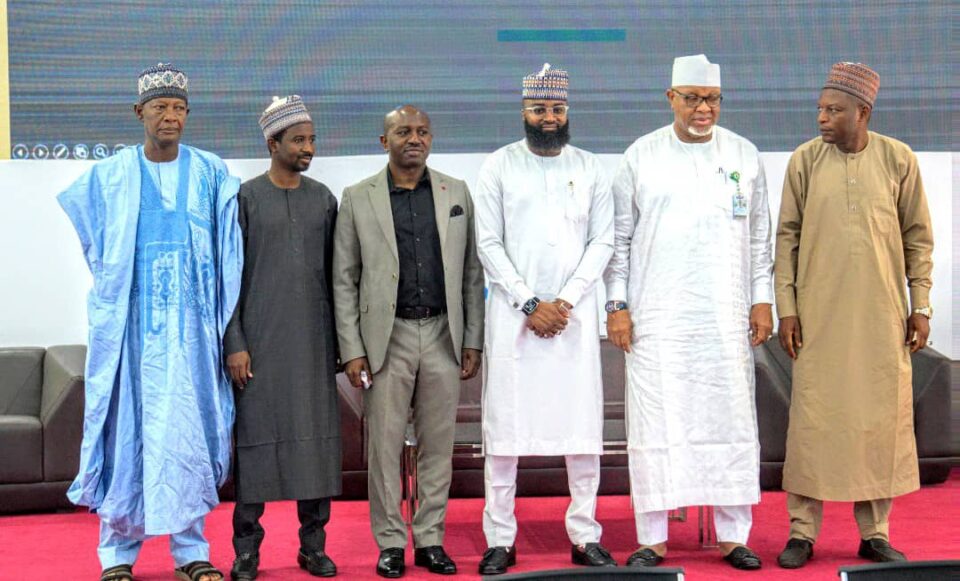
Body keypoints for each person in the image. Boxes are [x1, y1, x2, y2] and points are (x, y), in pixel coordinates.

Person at [57, 63, 242, 581]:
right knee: (125, 440)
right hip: (132, 342)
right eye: (160, 106)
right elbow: (92, 233)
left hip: (190, 338)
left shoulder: (209, 172)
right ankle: (116, 556)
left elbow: (228, 249)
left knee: (187, 438)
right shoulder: (112, 173)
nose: (171, 116)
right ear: (139, 113)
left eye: (179, 108)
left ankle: (192, 552)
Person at [604, 54, 772, 571]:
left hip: (724, 317)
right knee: (656, 424)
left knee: (731, 419)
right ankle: (652, 539)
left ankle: (733, 536)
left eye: (713, 99)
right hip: (658, 318)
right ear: (671, 98)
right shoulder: (641, 155)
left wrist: (762, 298)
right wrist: (617, 306)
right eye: (694, 98)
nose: (704, 108)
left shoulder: (743, 153)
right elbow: (619, 241)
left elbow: (760, 236)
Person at [774, 62, 934, 569]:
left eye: (834, 110)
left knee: (877, 423)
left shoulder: (897, 159)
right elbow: (786, 239)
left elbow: (918, 238)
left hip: (882, 316)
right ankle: (802, 533)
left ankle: (876, 533)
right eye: (820, 109)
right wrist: (787, 309)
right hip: (817, 317)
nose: (822, 118)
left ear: (862, 112)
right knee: (813, 423)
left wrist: (921, 304)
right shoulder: (804, 161)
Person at [474, 63, 616, 576]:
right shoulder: (498, 167)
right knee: (506, 432)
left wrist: (567, 300)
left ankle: (584, 534)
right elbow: (488, 243)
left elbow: (603, 240)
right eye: (540, 109)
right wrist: (530, 304)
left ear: (567, 111)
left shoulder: (592, 167)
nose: (549, 117)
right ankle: (500, 538)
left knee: (581, 432)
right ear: (523, 112)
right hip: (514, 321)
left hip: (574, 321)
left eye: (557, 109)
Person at [332, 105, 485, 578]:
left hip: (443, 333)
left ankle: (431, 539)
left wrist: (473, 340)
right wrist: (352, 348)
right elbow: (344, 278)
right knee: (383, 446)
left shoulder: (455, 192)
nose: (413, 139)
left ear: (431, 139)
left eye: (421, 132)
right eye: (403, 132)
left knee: (438, 444)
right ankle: (391, 542)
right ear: (385, 142)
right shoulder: (358, 198)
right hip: (386, 337)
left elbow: (471, 272)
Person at [224, 96, 341, 579]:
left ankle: (312, 547)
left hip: (314, 346)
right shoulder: (245, 199)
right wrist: (235, 341)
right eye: (298, 140)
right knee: (257, 448)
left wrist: (344, 345)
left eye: (311, 139)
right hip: (259, 350)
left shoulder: (323, 199)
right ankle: (247, 551)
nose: (307, 148)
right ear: (272, 143)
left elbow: (341, 278)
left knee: (316, 446)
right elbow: (226, 280)